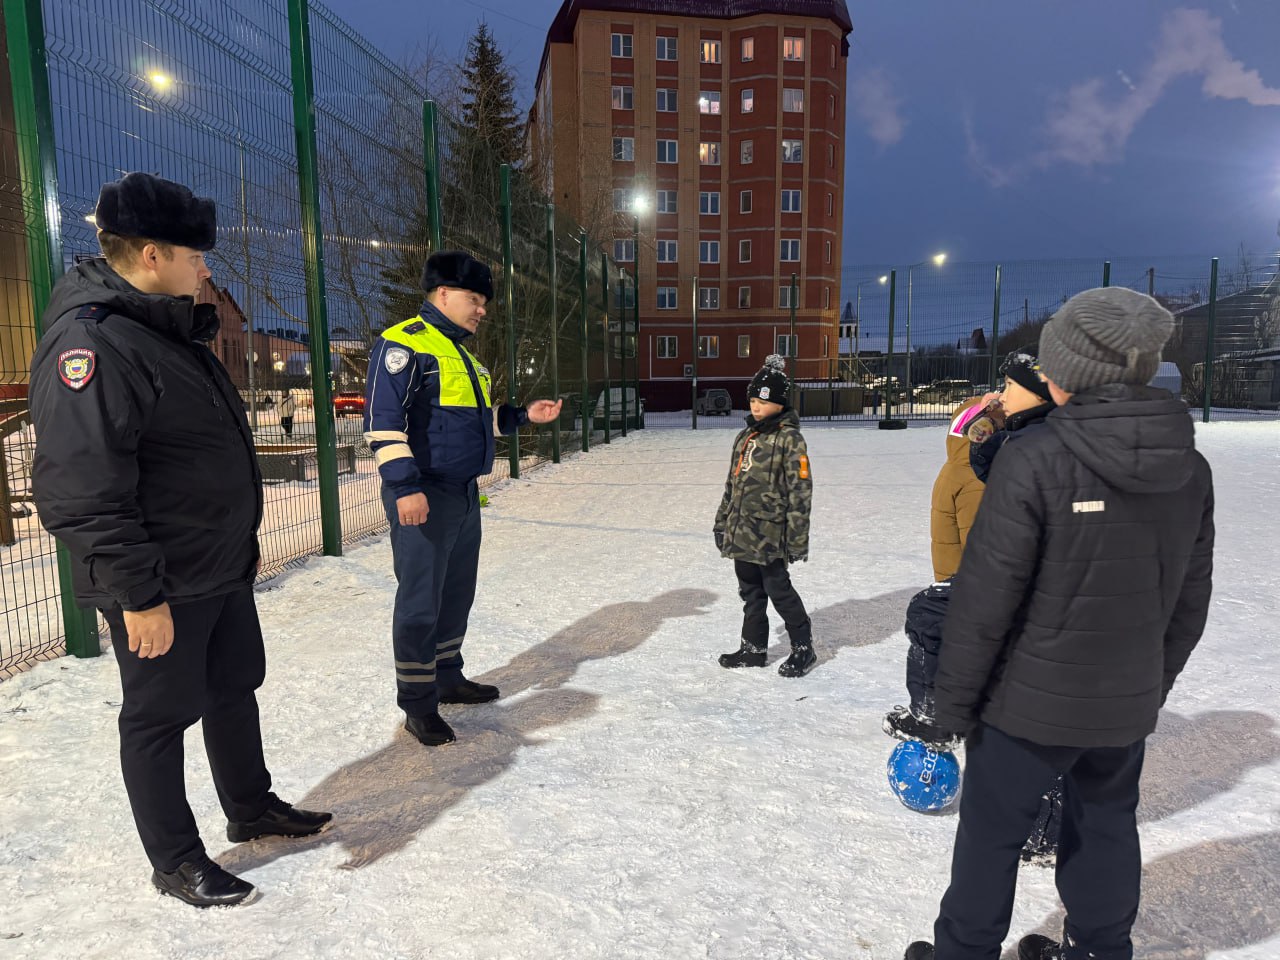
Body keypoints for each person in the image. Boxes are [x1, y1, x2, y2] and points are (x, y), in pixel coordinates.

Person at [29, 173, 331, 908]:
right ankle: (175, 858)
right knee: (160, 717)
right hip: (157, 578)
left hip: (216, 564)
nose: (206, 269)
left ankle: (250, 805)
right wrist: (138, 595)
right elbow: (80, 489)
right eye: (197, 255)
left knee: (234, 687)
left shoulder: (166, 327)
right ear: (154, 253)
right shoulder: (93, 343)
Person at [902, 287, 1215, 960]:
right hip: (1121, 705)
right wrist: (1145, 687)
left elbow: (986, 601)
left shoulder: (1034, 459)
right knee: (1103, 827)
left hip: (1026, 709)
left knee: (990, 836)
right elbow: (1189, 604)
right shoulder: (1188, 467)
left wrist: (950, 709)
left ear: (1070, 372)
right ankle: (1101, 950)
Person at [364, 250, 561, 747]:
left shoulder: (463, 356)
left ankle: (447, 676)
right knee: (419, 602)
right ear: (444, 293)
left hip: (462, 495)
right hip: (423, 494)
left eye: (484, 302)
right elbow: (383, 425)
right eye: (475, 299)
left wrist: (521, 417)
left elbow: (473, 424)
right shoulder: (404, 346)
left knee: (456, 594)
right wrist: (405, 489)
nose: (482, 310)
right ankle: (417, 702)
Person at [714, 354, 815, 677]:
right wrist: (722, 522)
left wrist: (797, 539)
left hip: (771, 535)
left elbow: (801, 492)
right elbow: (732, 484)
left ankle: (803, 647)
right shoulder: (745, 437)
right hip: (742, 531)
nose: (756, 407)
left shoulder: (789, 440)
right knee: (750, 592)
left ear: (780, 403)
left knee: (779, 589)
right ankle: (753, 648)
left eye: (763, 401)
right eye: (754, 400)